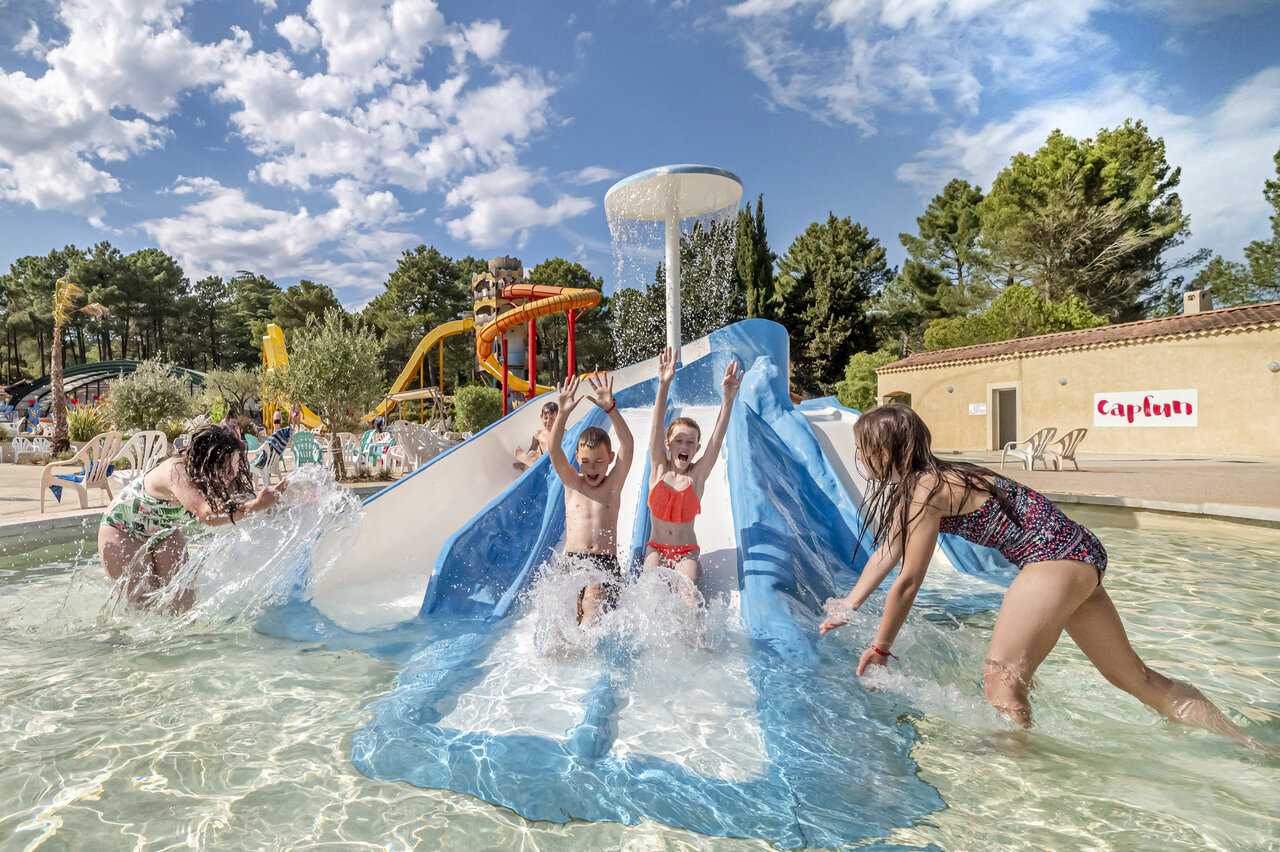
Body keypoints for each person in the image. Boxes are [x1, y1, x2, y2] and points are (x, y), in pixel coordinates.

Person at [819, 404, 1253, 743]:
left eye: (861, 448)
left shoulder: (927, 487)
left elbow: (910, 578)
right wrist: (848, 605)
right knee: (1135, 678)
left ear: (884, 451)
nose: (858, 456)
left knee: (1001, 680)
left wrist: (881, 646)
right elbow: (888, 552)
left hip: (1052, 559)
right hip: (1078, 555)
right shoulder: (934, 480)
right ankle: (1246, 744)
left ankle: (1020, 780)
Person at [98, 424, 286, 610]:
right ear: (210, 461)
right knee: (142, 603)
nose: (234, 473)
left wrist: (282, 506)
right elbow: (207, 514)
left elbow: (247, 502)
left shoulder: (218, 475)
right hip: (123, 528)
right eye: (228, 466)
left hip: (164, 531)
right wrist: (255, 506)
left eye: (236, 464)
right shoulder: (177, 471)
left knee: (183, 598)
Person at [644, 347, 742, 606]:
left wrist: (728, 398)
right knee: (650, 587)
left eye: (691, 442)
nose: (684, 446)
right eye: (679, 440)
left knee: (688, 594)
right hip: (656, 548)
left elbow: (716, 440)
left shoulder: (696, 476)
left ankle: (695, 632)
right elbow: (655, 428)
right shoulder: (658, 469)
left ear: (697, 448)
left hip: (686, 551)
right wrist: (664, 384)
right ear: (668, 445)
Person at [546, 373, 634, 625]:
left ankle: (583, 642)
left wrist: (611, 409)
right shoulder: (572, 483)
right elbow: (553, 449)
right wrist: (562, 413)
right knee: (567, 609)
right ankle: (566, 644)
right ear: (577, 457)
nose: (592, 468)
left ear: (610, 458)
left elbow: (628, 445)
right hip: (572, 562)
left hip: (604, 564)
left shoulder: (612, 485)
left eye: (599, 461)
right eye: (585, 461)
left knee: (593, 599)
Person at [513, 400, 559, 471]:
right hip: (543, 463)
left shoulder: (562, 433)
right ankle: (525, 463)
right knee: (532, 453)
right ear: (541, 417)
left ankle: (530, 463)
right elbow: (531, 450)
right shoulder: (539, 434)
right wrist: (525, 458)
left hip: (556, 463)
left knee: (541, 456)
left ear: (558, 419)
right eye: (546, 418)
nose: (548, 421)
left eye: (552, 419)